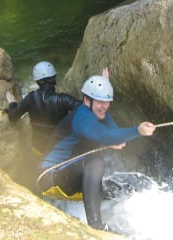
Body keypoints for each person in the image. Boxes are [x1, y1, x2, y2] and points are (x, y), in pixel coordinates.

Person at [37, 74, 156, 230]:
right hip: (50, 177)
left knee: (121, 189)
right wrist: (137, 130)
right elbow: (106, 135)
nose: (104, 106)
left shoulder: (99, 113)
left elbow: (113, 132)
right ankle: (96, 227)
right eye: (100, 102)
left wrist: (115, 137)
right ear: (87, 101)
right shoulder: (82, 117)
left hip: (69, 177)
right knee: (95, 161)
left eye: (107, 102)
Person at [4, 61, 79, 153]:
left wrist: (13, 103)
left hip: (39, 150)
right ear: (54, 78)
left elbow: (12, 117)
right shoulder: (64, 99)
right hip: (62, 150)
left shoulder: (30, 98)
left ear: (37, 81)